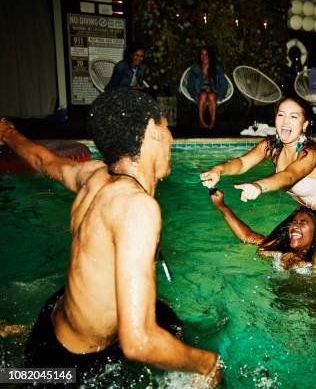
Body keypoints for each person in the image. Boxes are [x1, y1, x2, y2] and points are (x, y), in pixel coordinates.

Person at [0, 90, 221, 385]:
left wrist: (7, 133)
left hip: (54, 316)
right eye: (167, 128)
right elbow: (138, 342)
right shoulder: (138, 208)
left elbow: (43, 162)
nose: (171, 139)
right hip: (71, 364)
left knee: (167, 318)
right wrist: (208, 363)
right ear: (152, 131)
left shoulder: (93, 175)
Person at [200, 97, 316, 267]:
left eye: (294, 117)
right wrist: (219, 169)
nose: (286, 121)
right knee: (265, 250)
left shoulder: (311, 152)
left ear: (304, 125)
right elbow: (243, 162)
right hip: (309, 215)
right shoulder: (271, 145)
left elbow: (289, 176)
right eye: (281, 115)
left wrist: (259, 186)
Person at [209, 189, 316, 271]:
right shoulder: (279, 250)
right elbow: (246, 236)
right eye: (294, 222)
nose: (295, 225)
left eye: (303, 223)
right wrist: (221, 206)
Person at [186, 46, 228, 130]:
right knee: (203, 95)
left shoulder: (216, 67)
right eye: (202, 54)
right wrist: (193, 94)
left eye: (206, 54)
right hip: (200, 92)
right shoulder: (195, 68)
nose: (204, 56)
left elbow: (224, 82)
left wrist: (221, 95)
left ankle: (213, 121)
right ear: (200, 56)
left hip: (214, 91)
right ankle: (201, 120)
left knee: (212, 95)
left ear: (210, 56)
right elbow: (190, 83)